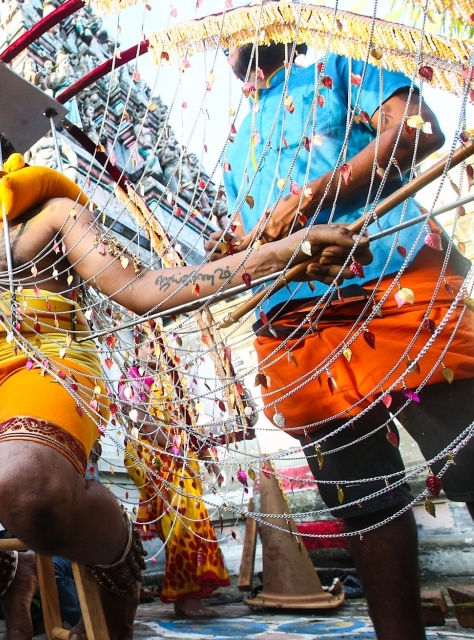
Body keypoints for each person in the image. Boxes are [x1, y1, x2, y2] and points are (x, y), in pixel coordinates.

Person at [0, 124, 370, 640]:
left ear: (5, 164)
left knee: (21, 482)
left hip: (42, 369)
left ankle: (115, 547)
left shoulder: (52, 215)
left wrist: (273, 254)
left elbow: (144, 287)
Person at [211, 30, 474, 639]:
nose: (235, 39)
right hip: (296, 323)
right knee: (361, 499)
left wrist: (309, 198)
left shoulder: (343, 65)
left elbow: (416, 130)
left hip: (390, 284)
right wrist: (238, 245)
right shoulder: (233, 143)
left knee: (470, 455)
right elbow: (253, 229)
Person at [120, 365, 230, 618]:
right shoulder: (132, 377)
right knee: (178, 525)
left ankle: (192, 594)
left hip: (178, 457)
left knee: (196, 523)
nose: (154, 340)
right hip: (156, 459)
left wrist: (204, 456)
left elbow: (188, 422)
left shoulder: (170, 376)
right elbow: (141, 421)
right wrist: (174, 445)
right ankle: (184, 595)